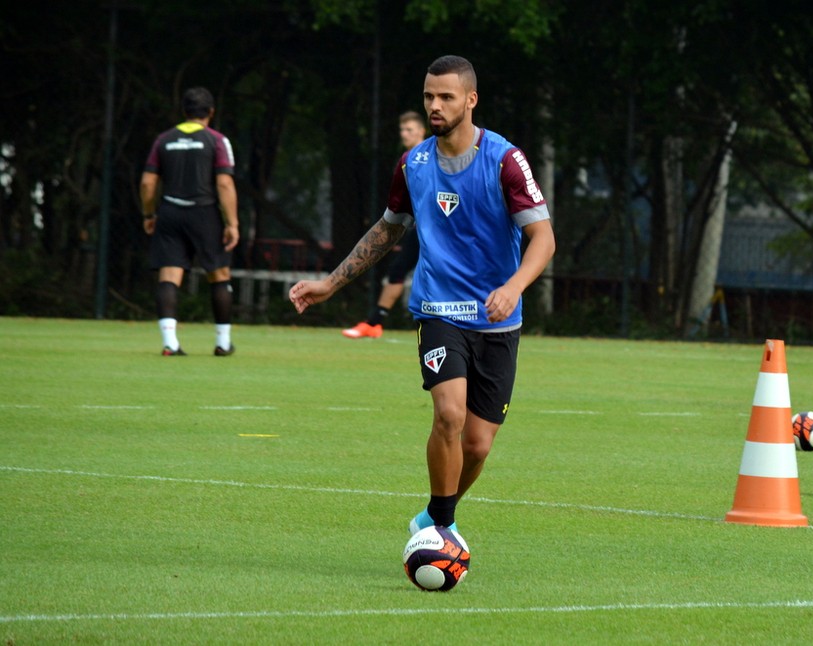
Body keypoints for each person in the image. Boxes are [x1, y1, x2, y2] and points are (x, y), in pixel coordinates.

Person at [289, 55, 555, 535]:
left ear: (470, 100)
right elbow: (388, 231)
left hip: (498, 321)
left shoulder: (505, 160)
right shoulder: (414, 164)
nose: (435, 105)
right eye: (429, 96)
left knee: (477, 445)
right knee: (449, 414)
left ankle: (434, 517)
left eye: (446, 97)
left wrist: (513, 287)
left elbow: (544, 238)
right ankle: (442, 533)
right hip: (438, 311)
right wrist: (330, 282)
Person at [140, 87, 239, 357]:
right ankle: (222, 343)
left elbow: (148, 182)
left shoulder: (163, 140)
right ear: (211, 112)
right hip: (204, 213)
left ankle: (170, 344)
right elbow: (225, 183)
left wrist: (149, 214)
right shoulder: (217, 140)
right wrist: (232, 223)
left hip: (170, 212)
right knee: (218, 275)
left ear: (184, 112)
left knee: (169, 275)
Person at [343, 111, 427, 339]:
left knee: (423, 272)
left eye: (409, 129)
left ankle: (377, 322)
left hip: (434, 229)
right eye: (402, 130)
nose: (404, 134)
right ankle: (375, 322)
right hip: (419, 228)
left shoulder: (429, 157)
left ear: (422, 131)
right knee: (398, 269)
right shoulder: (407, 159)